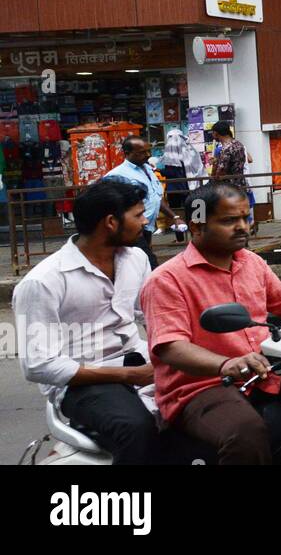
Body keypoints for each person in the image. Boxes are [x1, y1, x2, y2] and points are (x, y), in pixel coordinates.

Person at [142, 182, 281, 465]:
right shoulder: (167, 280)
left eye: (245, 218)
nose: (243, 227)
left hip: (261, 369)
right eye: (229, 220)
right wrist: (225, 364)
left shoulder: (252, 262)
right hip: (201, 386)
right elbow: (171, 347)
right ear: (196, 227)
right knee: (245, 432)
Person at [13, 179, 161, 464]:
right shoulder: (43, 282)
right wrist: (131, 375)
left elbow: (150, 314)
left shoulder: (136, 258)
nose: (145, 221)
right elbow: (39, 365)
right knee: (136, 429)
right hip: (83, 385)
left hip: (141, 365)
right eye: (138, 215)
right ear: (110, 222)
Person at [103, 135, 180, 268]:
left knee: (141, 265)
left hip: (147, 228)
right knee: (150, 265)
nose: (148, 155)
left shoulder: (147, 168)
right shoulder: (117, 176)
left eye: (148, 151)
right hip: (130, 230)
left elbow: (155, 197)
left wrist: (174, 217)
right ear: (127, 154)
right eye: (142, 152)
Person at [211, 121, 256, 235]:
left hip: (228, 188)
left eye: (213, 133)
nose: (213, 135)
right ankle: (245, 230)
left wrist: (213, 179)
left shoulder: (226, 149)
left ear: (216, 133)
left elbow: (221, 171)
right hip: (241, 184)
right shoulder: (239, 145)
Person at [159, 128, 204, 243]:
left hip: (174, 189)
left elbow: (173, 172)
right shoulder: (191, 150)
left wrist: (158, 170)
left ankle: (180, 238)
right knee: (194, 211)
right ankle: (197, 236)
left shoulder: (171, 153)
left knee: (176, 213)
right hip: (192, 186)